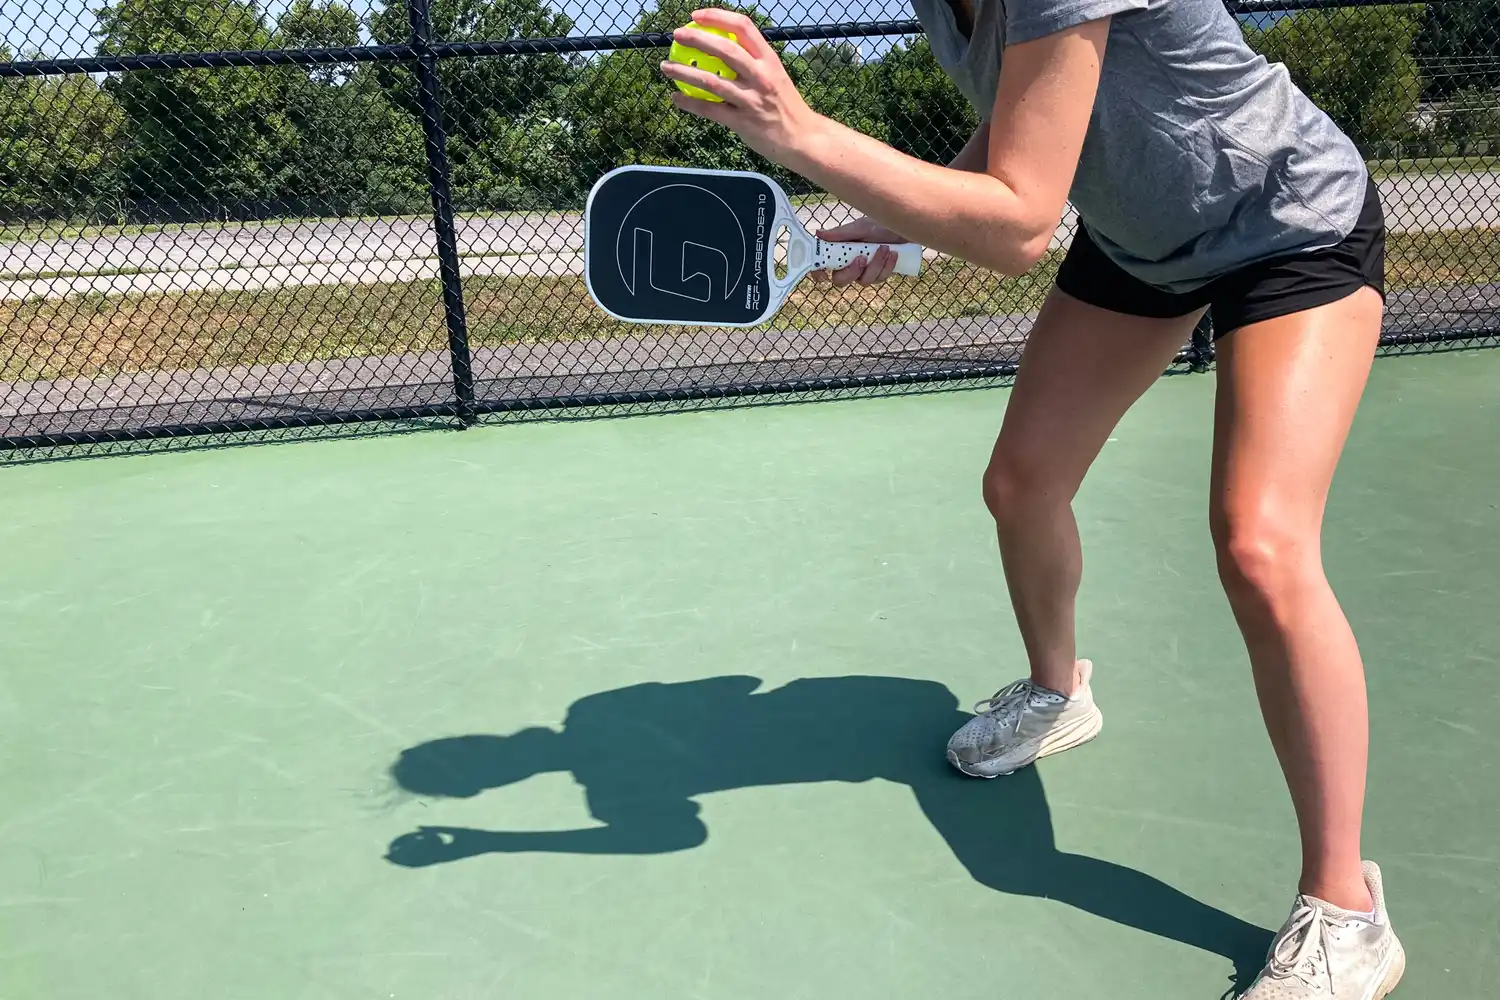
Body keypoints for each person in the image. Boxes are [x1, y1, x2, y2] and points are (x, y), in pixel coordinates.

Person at [658, 1, 1402, 996]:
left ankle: (1345, 904)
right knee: (1021, 483)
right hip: (1146, 243)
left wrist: (796, 130)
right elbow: (1011, 138)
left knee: (1261, 544)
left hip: (1285, 223)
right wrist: (887, 215)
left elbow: (1018, 224)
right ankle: (1059, 693)